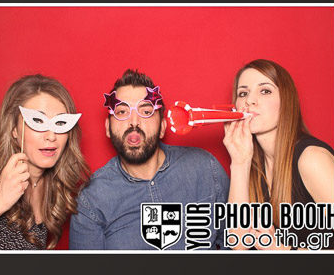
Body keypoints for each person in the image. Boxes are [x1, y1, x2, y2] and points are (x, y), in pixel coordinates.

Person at [70, 68, 228, 250]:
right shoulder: (91, 199)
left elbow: (235, 246)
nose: (134, 122)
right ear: (107, 128)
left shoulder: (205, 169)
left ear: (163, 127)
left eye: (146, 111)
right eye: (122, 112)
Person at [223, 59, 334, 249]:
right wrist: (239, 163)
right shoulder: (253, 163)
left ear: (286, 101)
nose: (249, 100)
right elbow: (239, 244)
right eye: (243, 93)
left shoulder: (313, 159)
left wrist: (282, 249)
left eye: (265, 91)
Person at [0, 74, 88, 249]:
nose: (51, 136)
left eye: (60, 123)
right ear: (14, 130)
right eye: (38, 121)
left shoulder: (54, 185)